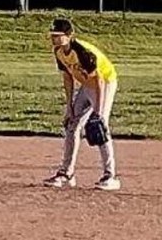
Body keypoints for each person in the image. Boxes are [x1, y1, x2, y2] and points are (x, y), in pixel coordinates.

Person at [43, 17, 121, 191]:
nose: (54, 39)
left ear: (69, 35)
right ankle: (66, 174)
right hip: (86, 86)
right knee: (72, 125)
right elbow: (68, 78)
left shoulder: (82, 52)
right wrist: (69, 107)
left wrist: (99, 112)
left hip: (105, 84)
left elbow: (100, 80)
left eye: (58, 35)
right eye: (52, 35)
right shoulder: (59, 52)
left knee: (100, 127)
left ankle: (111, 176)